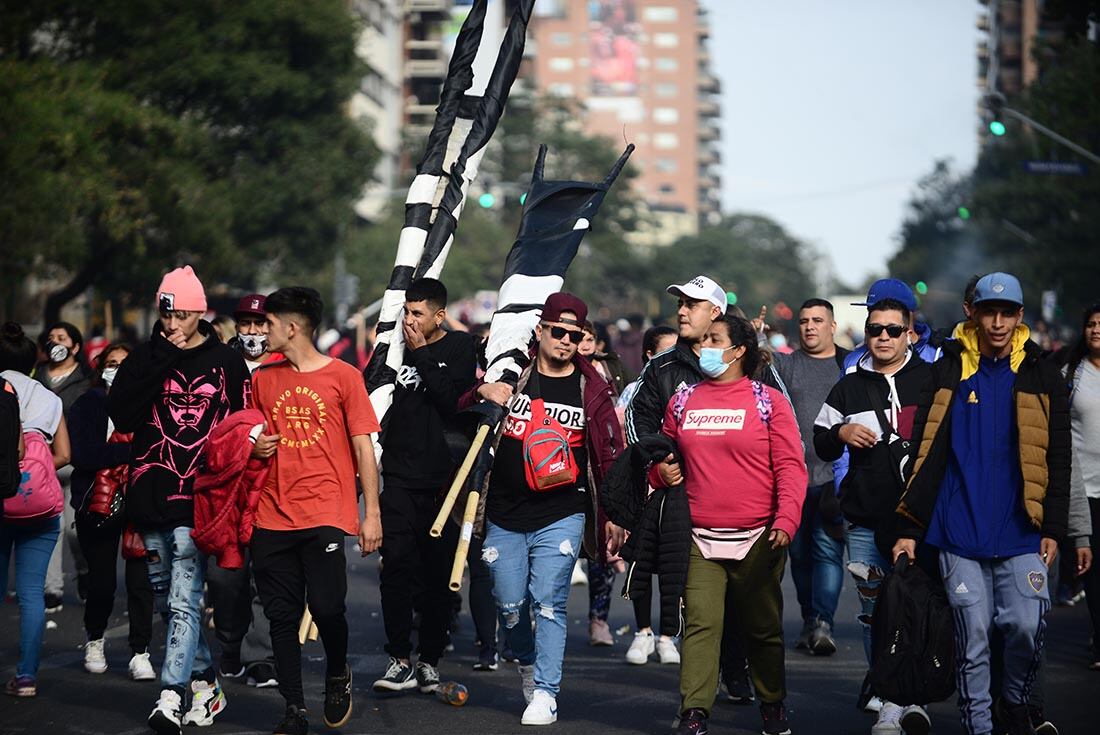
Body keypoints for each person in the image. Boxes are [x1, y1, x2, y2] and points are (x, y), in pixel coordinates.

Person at [895, 273, 1070, 735]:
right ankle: (981, 727)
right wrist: (910, 529)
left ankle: (1014, 701)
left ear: (1019, 317)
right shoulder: (948, 369)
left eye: (1006, 313)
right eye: (988, 312)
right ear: (972, 313)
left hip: (1022, 531)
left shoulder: (1041, 373)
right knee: (972, 641)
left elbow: (1058, 458)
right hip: (959, 531)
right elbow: (925, 452)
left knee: (1025, 630)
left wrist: (1054, 527)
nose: (997, 322)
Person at [470, 292, 623, 726]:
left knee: (550, 602)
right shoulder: (511, 374)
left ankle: (546, 691)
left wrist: (613, 513)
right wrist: (482, 389)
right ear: (540, 331)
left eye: (575, 336)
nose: (565, 341)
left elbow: (609, 454)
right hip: (503, 512)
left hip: (563, 510)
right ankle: (527, 667)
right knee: (511, 604)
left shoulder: (592, 386)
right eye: (558, 332)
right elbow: (461, 408)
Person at [108, 266, 249, 734]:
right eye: (168, 314)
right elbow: (122, 412)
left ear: (200, 313)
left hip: (198, 497)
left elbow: (239, 427)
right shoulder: (147, 354)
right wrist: (159, 359)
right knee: (168, 601)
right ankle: (206, 686)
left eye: (183, 315)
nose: (173, 324)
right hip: (149, 492)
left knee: (186, 599)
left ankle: (170, 695)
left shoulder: (225, 363)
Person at [658, 313, 806, 735]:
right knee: (703, 626)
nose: (704, 346)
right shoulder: (684, 399)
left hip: (760, 537)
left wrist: (787, 519)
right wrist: (659, 473)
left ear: (739, 350)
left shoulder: (768, 401)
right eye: (703, 339)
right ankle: (694, 712)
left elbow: (792, 469)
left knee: (763, 629)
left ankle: (773, 703)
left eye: (714, 339)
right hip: (698, 537)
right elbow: (662, 455)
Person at [249, 286, 382, 735]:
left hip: (326, 510)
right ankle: (294, 709)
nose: (261, 330)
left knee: (326, 608)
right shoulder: (263, 377)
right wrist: (256, 445)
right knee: (281, 618)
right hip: (270, 513)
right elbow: (247, 433)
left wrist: (372, 515)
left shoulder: (344, 377)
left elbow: (364, 448)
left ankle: (337, 668)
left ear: (292, 327)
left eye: (268, 323)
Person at [813, 298, 934, 735]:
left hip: (921, 520)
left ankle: (914, 695)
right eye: (875, 329)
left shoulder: (930, 381)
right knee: (873, 613)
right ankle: (886, 696)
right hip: (864, 519)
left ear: (910, 334)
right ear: (866, 333)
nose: (883, 337)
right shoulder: (848, 386)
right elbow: (822, 441)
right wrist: (840, 432)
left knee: (917, 609)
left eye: (893, 330)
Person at [371, 278, 477, 693]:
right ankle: (398, 657)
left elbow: (453, 401)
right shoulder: (393, 348)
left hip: (443, 481)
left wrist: (423, 354)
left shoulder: (459, 347)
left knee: (437, 576)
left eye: (418, 313)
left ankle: (429, 659)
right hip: (397, 474)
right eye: (406, 312)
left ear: (439, 315)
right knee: (395, 565)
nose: (409, 321)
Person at [624, 277, 724, 673]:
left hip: (734, 502)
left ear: (715, 312)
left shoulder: (745, 362)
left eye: (692, 304)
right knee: (695, 593)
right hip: (678, 496)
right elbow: (637, 417)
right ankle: (696, 686)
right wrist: (658, 460)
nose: (681, 311)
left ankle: (732, 672)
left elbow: (777, 419)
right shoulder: (661, 367)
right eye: (680, 303)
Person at [69, 343, 156, 680]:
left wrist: (125, 453)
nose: (116, 369)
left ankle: (140, 651)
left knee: (140, 582)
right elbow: (85, 455)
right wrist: (128, 452)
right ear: (100, 367)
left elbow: (154, 453)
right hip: (96, 502)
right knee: (102, 581)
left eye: (124, 364)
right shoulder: (88, 404)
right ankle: (94, 639)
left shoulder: (148, 404)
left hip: (139, 501)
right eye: (111, 363)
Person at [205, 293, 278, 688]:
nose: (252, 332)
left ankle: (261, 655)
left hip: (273, 486)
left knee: (270, 575)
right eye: (245, 324)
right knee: (225, 577)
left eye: (260, 323)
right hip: (227, 487)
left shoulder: (286, 365)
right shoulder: (219, 365)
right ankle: (230, 644)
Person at [771, 299, 849, 656]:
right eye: (804, 321)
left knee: (827, 551)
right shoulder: (785, 364)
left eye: (818, 320)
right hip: (792, 479)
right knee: (799, 555)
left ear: (833, 326)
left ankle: (823, 622)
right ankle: (808, 619)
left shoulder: (848, 365)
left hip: (835, 478)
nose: (810, 327)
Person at [1, 322, 71, 698]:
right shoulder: (49, 397)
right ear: (32, 363)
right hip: (40, 507)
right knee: (31, 593)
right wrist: (32, 477)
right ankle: (26, 677)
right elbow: (64, 454)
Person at [34, 321, 95, 612]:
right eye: (51, 338)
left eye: (62, 338)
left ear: (75, 346)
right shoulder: (37, 379)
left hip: (75, 463)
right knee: (50, 528)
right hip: (42, 462)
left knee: (74, 529)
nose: (55, 342)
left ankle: (84, 572)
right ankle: (52, 589)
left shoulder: (86, 380)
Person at [1059, 302, 1100, 669]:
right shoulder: (1070, 373)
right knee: (1093, 566)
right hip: (1084, 489)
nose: (1096, 329)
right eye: (1090, 324)